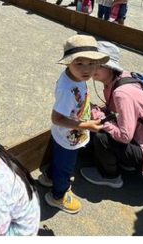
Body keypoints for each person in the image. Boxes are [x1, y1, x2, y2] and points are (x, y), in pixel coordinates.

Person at [81, 41, 143, 189]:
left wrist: (100, 117)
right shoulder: (120, 78)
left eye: (98, 65)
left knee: (102, 137)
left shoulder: (122, 93)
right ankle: (123, 160)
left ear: (110, 66)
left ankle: (111, 176)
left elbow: (124, 136)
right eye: (89, 63)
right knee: (101, 124)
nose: (91, 68)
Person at [38, 35, 109, 215]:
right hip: (68, 136)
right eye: (79, 63)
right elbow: (57, 118)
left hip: (68, 133)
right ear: (67, 63)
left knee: (60, 163)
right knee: (66, 168)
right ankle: (57, 196)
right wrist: (87, 125)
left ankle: (50, 177)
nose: (87, 70)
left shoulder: (76, 78)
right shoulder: (67, 89)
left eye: (92, 63)